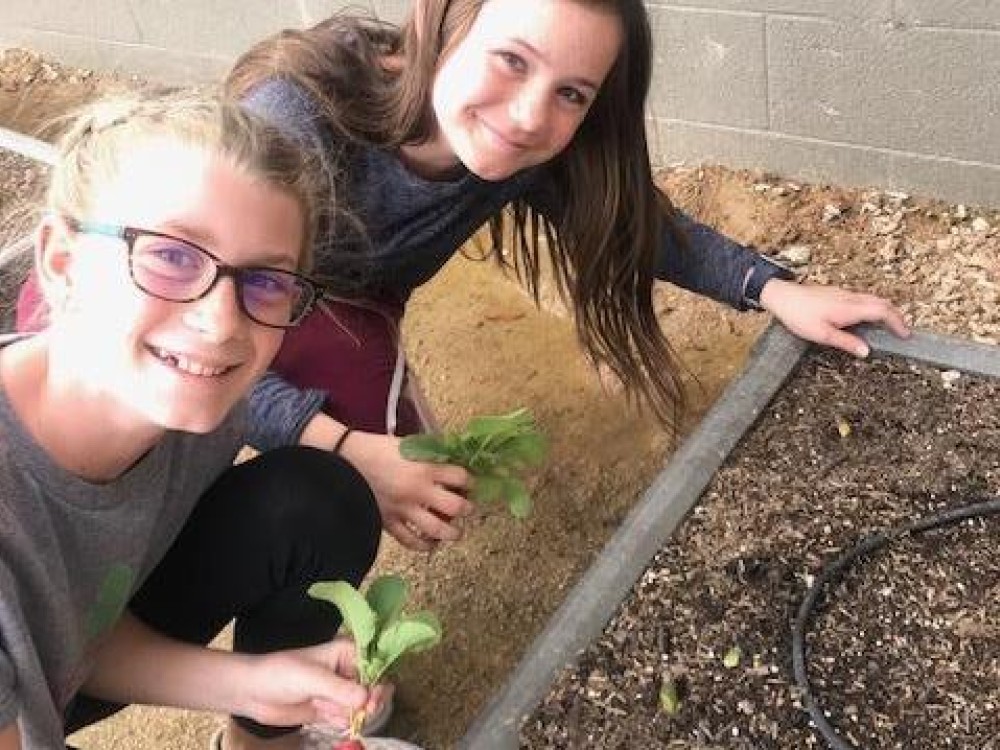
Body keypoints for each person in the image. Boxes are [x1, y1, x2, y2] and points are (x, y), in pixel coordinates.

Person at [218, 0, 911, 553]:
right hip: (241, 301)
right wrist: (347, 448)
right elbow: (181, 344)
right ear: (445, 19)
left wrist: (773, 287)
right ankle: (271, 712)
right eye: (512, 59)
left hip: (364, 297)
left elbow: (631, 227)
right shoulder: (294, 125)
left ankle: (371, 382)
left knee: (417, 473)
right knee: (337, 487)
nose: (528, 118)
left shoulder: (525, 149)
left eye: (572, 93)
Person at [0, 92, 389, 750]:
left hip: (43, 693)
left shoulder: (203, 418)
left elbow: (69, 627)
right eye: (172, 257)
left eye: (265, 280)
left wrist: (253, 683)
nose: (221, 322)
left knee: (318, 502)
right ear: (62, 263)